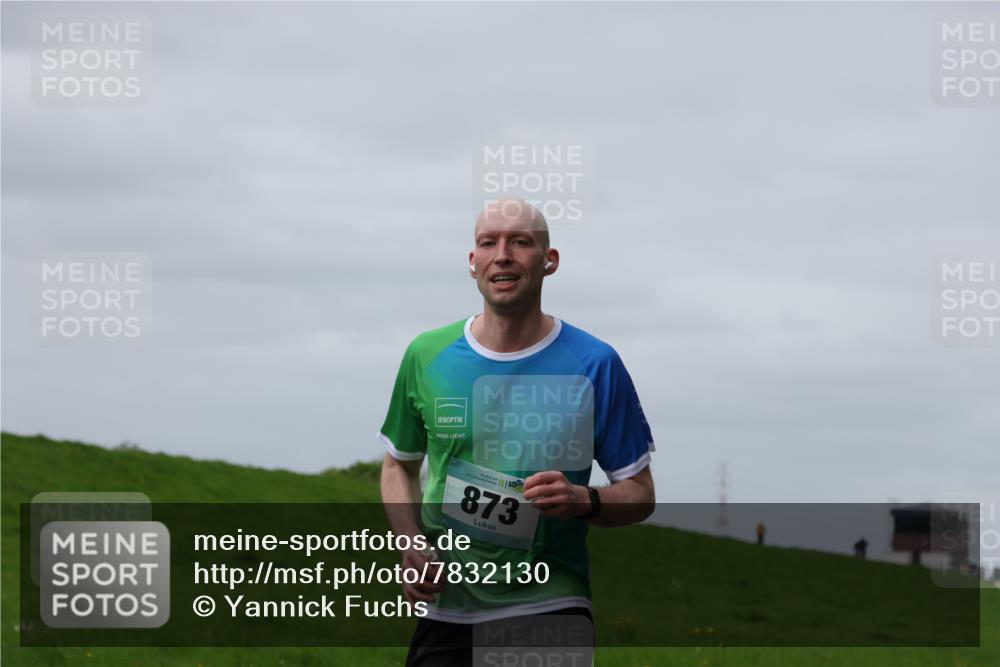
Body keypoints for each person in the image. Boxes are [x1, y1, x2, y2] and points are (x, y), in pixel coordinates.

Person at [379, 199, 656, 666]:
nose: (501, 254)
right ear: (473, 263)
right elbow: (397, 464)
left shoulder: (594, 363)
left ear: (549, 261)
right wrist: (410, 541)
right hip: (448, 605)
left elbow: (640, 492)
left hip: (549, 602)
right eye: (488, 242)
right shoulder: (427, 355)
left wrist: (582, 500)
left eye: (520, 242)